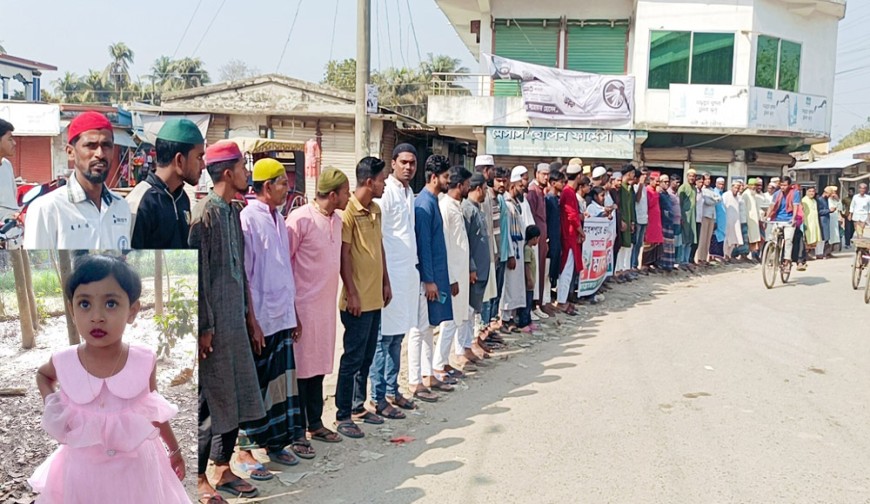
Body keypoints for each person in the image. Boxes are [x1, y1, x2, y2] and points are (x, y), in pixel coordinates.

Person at [29, 255, 188, 504]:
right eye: (84, 304)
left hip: (137, 473)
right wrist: (55, 405)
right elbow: (43, 375)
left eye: (111, 304)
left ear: (132, 311)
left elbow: (154, 410)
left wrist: (175, 449)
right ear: (71, 309)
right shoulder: (64, 360)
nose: (97, 316)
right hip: (83, 474)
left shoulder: (143, 360)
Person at [191, 140, 265, 501]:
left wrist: (251, 317)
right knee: (210, 401)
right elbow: (198, 275)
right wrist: (205, 327)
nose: (246, 173)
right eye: (242, 167)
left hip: (236, 319)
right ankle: (198, 476)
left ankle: (222, 467)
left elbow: (241, 273)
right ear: (226, 172)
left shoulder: (233, 212)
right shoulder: (204, 214)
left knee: (234, 393)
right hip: (214, 326)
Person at [235, 158, 307, 479]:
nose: (287, 189)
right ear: (267, 186)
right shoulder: (248, 219)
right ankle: (245, 451)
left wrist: (294, 313)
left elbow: (284, 270)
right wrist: (252, 321)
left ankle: (276, 445)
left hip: (282, 316)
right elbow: (246, 275)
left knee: (281, 386)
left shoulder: (279, 217)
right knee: (257, 387)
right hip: (262, 320)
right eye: (282, 184)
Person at [286, 168, 349, 445]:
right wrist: (291, 311)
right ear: (333, 195)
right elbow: (284, 264)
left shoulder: (337, 220)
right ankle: (297, 431)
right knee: (302, 370)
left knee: (319, 366)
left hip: (325, 309)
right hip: (302, 309)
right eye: (345, 192)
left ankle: (315, 423)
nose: (348, 197)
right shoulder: (300, 219)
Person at [335, 157, 391, 438]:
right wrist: (353, 293)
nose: (385, 184)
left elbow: (379, 247)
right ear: (369, 182)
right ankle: (343, 414)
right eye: (382, 180)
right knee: (352, 359)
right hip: (356, 302)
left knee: (367, 357)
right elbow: (344, 255)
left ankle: (358, 406)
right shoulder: (348, 212)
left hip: (374, 298)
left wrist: (386, 281)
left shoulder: (376, 210)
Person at [24, 111, 131, 249]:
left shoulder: (121, 206)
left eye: (106, 145)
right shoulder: (47, 209)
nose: (100, 154)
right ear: (71, 152)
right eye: (90, 146)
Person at [369, 144, 419, 417]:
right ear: (393, 163)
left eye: (412, 163)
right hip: (388, 276)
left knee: (397, 336)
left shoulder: (408, 192)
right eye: (403, 162)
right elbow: (378, 238)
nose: (408, 167)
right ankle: (377, 397)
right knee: (383, 338)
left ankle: (392, 390)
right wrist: (383, 278)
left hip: (406, 275)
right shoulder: (386, 193)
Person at [409, 155, 453, 402]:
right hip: (425, 278)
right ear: (434, 177)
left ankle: (428, 375)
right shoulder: (424, 205)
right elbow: (423, 246)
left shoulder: (433, 201)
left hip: (433, 275)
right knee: (419, 330)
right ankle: (415, 380)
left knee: (428, 328)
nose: (448, 181)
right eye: (446, 177)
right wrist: (429, 280)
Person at [127, 118, 204, 249]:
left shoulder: (182, 198)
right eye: (199, 157)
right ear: (180, 160)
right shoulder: (141, 202)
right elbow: (129, 258)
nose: (203, 165)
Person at [434, 166, 473, 382]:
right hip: (453, 275)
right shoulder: (445, 207)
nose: (469, 188)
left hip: (461, 271)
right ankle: (438, 365)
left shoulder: (456, 206)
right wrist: (451, 278)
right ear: (460, 185)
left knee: (457, 319)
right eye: (467, 185)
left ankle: (445, 361)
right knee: (449, 322)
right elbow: (445, 246)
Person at [462, 173, 493, 362]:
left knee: (474, 311)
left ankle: (471, 343)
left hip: (481, 270)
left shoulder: (477, 209)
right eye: (485, 188)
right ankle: (465, 347)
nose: (486, 192)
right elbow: (465, 242)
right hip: (473, 271)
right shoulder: (467, 209)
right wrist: (471, 267)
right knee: (467, 311)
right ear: (479, 188)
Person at [499, 166, 529, 328]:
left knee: (516, 285)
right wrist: (510, 254)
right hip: (511, 251)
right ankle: (503, 318)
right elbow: (506, 233)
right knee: (508, 285)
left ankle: (511, 316)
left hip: (518, 249)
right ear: (512, 185)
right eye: (520, 185)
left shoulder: (515, 204)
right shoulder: (506, 204)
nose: (522, 188)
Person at [526, 162, 552, 317]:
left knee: (541, 271)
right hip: (534, 240)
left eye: (547, 174)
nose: (546, 177)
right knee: (534, 272)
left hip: (542, 239)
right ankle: (533, 305)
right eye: (543, 174)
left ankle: (539, 303)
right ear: (536, 174)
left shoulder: (541, 191)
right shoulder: (532, 192)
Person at [558, 163, 584, 315]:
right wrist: (581, 231)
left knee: (569, 269)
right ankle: (562, 301)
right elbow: (572, 216)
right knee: (566, 270)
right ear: (579, 175)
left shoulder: (569, 192)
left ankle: (564, 299)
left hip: (571, 234)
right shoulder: (568, 192)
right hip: (568, 235)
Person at [767, 176, 802, 269]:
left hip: (789, 220)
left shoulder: (795, 193)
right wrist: (767, 216)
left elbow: (795, 207)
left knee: (788, 240)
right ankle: (771, 258)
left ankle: (787, 260)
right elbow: (772, 206)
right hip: (778, 219)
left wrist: (793, 218)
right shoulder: (777, 194)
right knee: (772, 239)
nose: (783, 187)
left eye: (785, 185)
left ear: (789, 185)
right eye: (781, 185)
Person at [545, 170, 564, 303]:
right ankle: (547, 298)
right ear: (553, 183)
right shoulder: (548, 200)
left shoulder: (557, 199)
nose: (563, 184)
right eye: (561, 182)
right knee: (549, 268)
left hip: (557, 237)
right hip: (551, 238)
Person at [518, 225, 541, 332]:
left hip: (531, 281)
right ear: (535, 238)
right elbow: (527, 265)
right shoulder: (527, 249)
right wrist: (529, 279)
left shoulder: (530, 249)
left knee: (529, 302)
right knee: (526, 303)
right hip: (528, 282)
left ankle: (528, 321)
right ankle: (523, 323)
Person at [641, 172, 664, 271]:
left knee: (656, 242)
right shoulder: (648, 190)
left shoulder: (655, 191)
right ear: (651, 180)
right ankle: (645, 263)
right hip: (650, 220)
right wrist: (656, 194)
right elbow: (649, 204)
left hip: (657, 220)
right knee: (649, 241)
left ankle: (653, 262)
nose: (658, 183)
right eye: (656, 181)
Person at [696, 173, 720, 264]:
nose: (708, 181)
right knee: (702, 238)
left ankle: (704, 258)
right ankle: (699, 258)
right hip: (704, 216)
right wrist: (715, 200)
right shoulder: (702, 190)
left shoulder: (711, 190)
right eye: (706, 179)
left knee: (708, 238)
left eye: (709, 179)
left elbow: (719, 199)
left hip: (712, 216)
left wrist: (714, 200)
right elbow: (707, 202)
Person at [0, 118, 19, 223]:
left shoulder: (7, 165)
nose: (14, 143)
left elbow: (12, 202)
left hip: (13, 228)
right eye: (9, 139)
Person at [678, 169, 697, 267]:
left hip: (692, 217)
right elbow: (679, 203)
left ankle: (686, 260)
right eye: (690, 176)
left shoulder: (694, 188)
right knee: (684, 239)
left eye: (693, 176)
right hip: (685, 216)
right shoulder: (683, 187)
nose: (691, 178)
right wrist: (681, 216)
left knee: (690, 239)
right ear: (687, 176)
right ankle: (681, 260)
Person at [631, 169, 649, 271]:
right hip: (637, 218)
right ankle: (632, 265)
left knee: (639, 244)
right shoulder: (635, 186)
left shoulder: (645, 187)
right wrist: (641, 185)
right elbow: (637, 199)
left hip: (644, 218)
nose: (645, 177)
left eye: (646, 175)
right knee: (635, 242)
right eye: (643, 175)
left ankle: (635, 264)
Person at [742, 178, 763, 260]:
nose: (754, 187)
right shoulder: (746, 194)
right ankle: (745, 255)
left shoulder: (753, 194)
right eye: (752, 185)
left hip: (754, 220)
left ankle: (752, 255)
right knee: (748, 238)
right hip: (748, 219)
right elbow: (744, 208)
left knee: (754, 238)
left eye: (755, 185)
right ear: (748, 185)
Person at [801, 186, 822, 260]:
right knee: (807, 239)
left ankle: (809, 254)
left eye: (813, 191)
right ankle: (805, 255)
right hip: (807, 223)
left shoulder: (814, 201)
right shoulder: (804, 200)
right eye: (810, 191)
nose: (811, 193)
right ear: (806, 192)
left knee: (813, 239)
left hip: (814, 223)